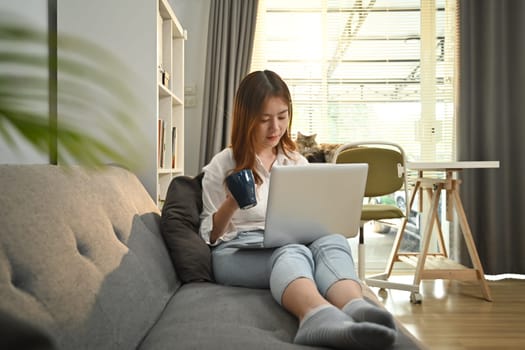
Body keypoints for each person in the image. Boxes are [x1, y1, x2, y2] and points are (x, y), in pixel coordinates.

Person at [199, 70, 397, 350]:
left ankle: (356, 307)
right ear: (246, 119)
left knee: (333, 240)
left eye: (282, 116)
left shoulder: (295, 161)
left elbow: (314, 219)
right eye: (264, 119)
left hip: (290, 242)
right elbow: (209, 235)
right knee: (293, 250)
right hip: (235, 252)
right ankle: (316, 316)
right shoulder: (224, 163)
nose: (275, 129)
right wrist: (231, 201)